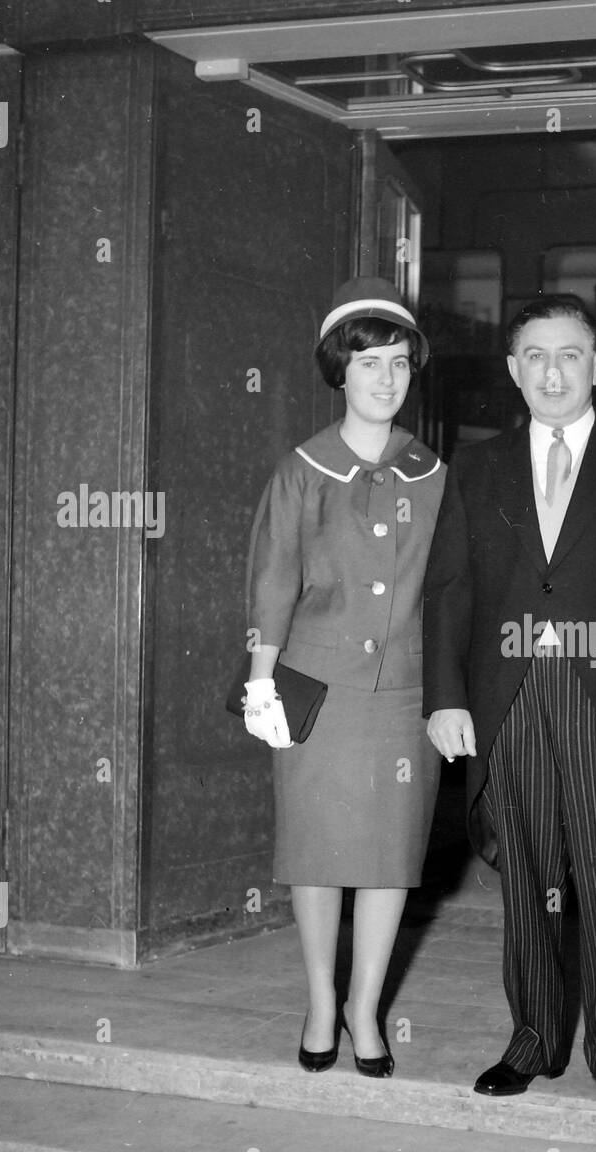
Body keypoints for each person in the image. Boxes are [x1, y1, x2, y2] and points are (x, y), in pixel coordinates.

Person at [423, 294, 596, 1103]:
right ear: (514, 370)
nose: (553, 371)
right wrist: (446, 696)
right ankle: (534, 1036)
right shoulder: (473, 467)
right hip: (508, 697)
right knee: (528, 880)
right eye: (536, 356)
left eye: (571, 354)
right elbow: (450, 588)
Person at [243, 277, 442, 1078]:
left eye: (398, 363)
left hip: (404, 692)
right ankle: (321, 1002)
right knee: (318, 852)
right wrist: (262, 681)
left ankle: (367, 1010)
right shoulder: (301, 470)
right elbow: (272, 581)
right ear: (340, 372)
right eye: (368, 365)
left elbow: (450, 586)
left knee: (390, 856)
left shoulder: (433, 473)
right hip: (312, 688)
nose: (385, 379)